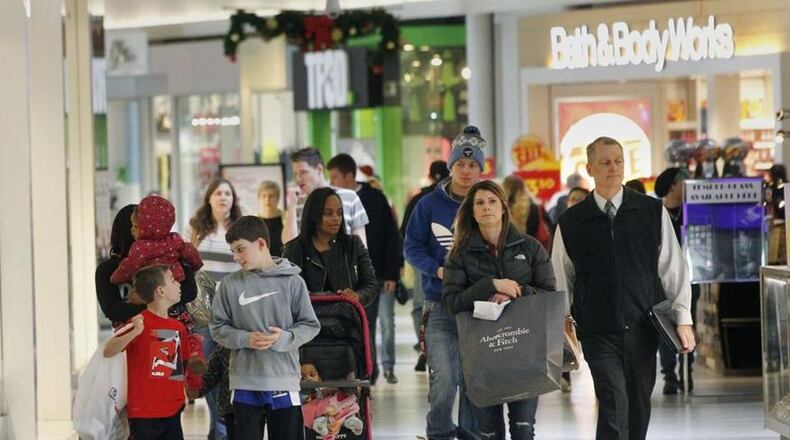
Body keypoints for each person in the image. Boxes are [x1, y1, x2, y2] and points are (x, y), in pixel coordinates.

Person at [551, 136, 695, 440]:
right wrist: (562, 325)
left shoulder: (651, 212)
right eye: (604, 162)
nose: (612, 167)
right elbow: (560, 277)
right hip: (597, 330)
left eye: (618, 161)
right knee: (614, 400)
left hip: (643, 326)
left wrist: (683, 319)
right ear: (589, 167)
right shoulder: (571, 221)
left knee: (638, 405)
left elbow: (673, 269)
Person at [442, 180, 556, 440]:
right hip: (482, 354)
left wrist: (517, 291)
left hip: (525, 351)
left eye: (492, 201)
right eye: (479, 203)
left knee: (523, 428)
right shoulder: (459, 255)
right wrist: (489, 285)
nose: (486, 208)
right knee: (489, 433)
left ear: (504, 207)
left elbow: (549, 293)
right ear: (471, 211)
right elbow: (451, 302)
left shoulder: (529, 247)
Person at [404, 125, 485, 440]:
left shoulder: (487, 202)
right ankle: (438, 433)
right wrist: (435, 269)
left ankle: (470, 434)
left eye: (473, 165)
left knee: (472, 378)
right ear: (450, 165)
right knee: (444, 377)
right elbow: (411, 246)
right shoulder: (428, 205)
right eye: (460, 164)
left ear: (481, 168)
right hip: (439, 304)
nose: (466, 171)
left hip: (480, 307)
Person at [211, 216, 321, 440]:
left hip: (284, 381)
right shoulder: (230, 285)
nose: (236, 257)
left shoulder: (293, 281)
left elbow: (310, 325)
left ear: (261, 244)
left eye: (241, 249)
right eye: (233, 251)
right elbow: (217, 328)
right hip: (244, 383)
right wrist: (244, 339)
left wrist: (285, 338)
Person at [327, 153, 403, 385]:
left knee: (369, 323)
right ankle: (357, 369)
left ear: (350, 176)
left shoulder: (375, 198)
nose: (333, 182)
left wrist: (391, 273)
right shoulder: (330, 201)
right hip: (343, 276)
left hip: (373, 275)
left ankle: (369, 371)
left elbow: (391, 236)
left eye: (336, 177)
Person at [103, 264, 190, 440]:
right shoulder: (139, 323)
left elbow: (177, 366)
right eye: (173, 280)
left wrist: (183, 393)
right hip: (143, 413)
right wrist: (135, 331)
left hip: (172, 409)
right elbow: (108, 350)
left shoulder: (177, 327)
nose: (179, 284)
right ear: (160, 291)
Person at [188, 177, 243, 440]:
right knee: (208, 372)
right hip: (203, 312)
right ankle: (217, 426)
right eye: (219, 193)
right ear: (209, 198)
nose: (224, 198)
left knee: (230, 372)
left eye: (228, 194)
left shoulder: (240, 230)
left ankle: (224, 425)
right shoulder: (197, 229)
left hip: (234, 312)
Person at [96, 204, 199, 327]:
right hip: (133, 339)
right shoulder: (108, 269)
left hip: (173, 335)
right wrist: (159, 300)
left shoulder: (170, 256)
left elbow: (190, 291)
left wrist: (144, 299)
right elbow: (112, 310)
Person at [282, 188, 378, 307]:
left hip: (347, 319)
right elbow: (287, 290)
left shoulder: (353, 244)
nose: (336, 218)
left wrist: (357, 296)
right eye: (328, 213)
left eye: (339, 213)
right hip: (308, 321)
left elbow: (371, 283)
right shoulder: (293, 249)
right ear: (314, 215)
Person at [654, 166, 700, 394]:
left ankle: (687, 370)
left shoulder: (691, 212)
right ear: (673, 185)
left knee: (689, 322)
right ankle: (669, 374)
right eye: (684, 182)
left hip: (692, 276)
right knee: (666, 325)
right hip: (663, 280)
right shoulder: (655, 212)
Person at [401, 160, 449, 372]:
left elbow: (405, 235)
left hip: (426, 267)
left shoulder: (420, 199)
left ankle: (424, 346)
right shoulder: (429, 201)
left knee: (421, 307)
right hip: (433, 267)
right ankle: (429, 347)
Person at [281, 147, 369, 246]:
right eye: (295, 174)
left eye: (303, 172)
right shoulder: (298, 203)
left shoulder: (349, 197)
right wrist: (292, 205)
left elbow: (361, 245)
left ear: (319, 169)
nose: (298, 179)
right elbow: (288, 244)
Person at [110, 195, 204, 284]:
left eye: (135, 226)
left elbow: (129, 267)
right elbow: (189, 250)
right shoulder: (173, 239)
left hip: (152, 284)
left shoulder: (140, 247)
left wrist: (115, 278)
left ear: (146, 227)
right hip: (176, 279)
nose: (132, 230)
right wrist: (197, 265)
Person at [501, 174, 552, 250]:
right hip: (535, 255)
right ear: (523, 188)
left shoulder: (500, 209)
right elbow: (550, 229)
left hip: (508, 256)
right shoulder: (536, 208)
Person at [257, 180, 284, 257]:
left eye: (271, 196)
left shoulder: (287, 220)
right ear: (259, 199)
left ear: (278, 198)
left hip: (283, 264)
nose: (267, 200)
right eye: (264, 196)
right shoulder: (253, 222)